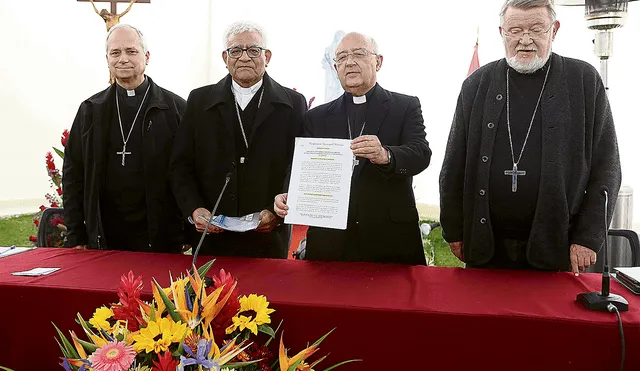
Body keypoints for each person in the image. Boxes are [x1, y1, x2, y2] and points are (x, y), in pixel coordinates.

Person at [439, 0, 621, 273]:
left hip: (558, 246)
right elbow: (454, 163)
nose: (525, 40)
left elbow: (607, 167)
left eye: (536, 29)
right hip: (486, 246)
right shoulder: (477, 85)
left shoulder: (583, 81)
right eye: (515, 30)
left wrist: (588, 237)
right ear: (502, 32)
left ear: (554, 30)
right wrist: (453, 228)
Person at [274, 32, 432, 265]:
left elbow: (421, 154)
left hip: (389, 239)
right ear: (336, 68)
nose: (349, 62)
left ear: (378, 61)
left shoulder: (405, 106)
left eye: (359, 54)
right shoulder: (317, 116)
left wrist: (385, 155)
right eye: (342, 57)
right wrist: (289, 194)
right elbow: (301, 167)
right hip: (330, 242)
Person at [170, 21, 307, 259]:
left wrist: (278, 212)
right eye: (235, 50)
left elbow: (298, 165)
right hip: (211, 234)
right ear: (225, 57)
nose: (244, 57)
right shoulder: (200, 101)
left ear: (267, 56)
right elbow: (180, 164)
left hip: (268, 234)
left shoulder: (292, 104)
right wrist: (193, 209)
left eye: (253, 50)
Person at [63, 24, 186, 253]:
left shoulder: (174, 108)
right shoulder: (91, 110)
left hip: (160, 234)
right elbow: (73, 175)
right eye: (115, 53)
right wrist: (75, 233)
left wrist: (187, 231)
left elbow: (189, 173)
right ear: (107, 58)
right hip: (105, 234)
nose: (123, 59)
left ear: (146, 56)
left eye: (131, 51)